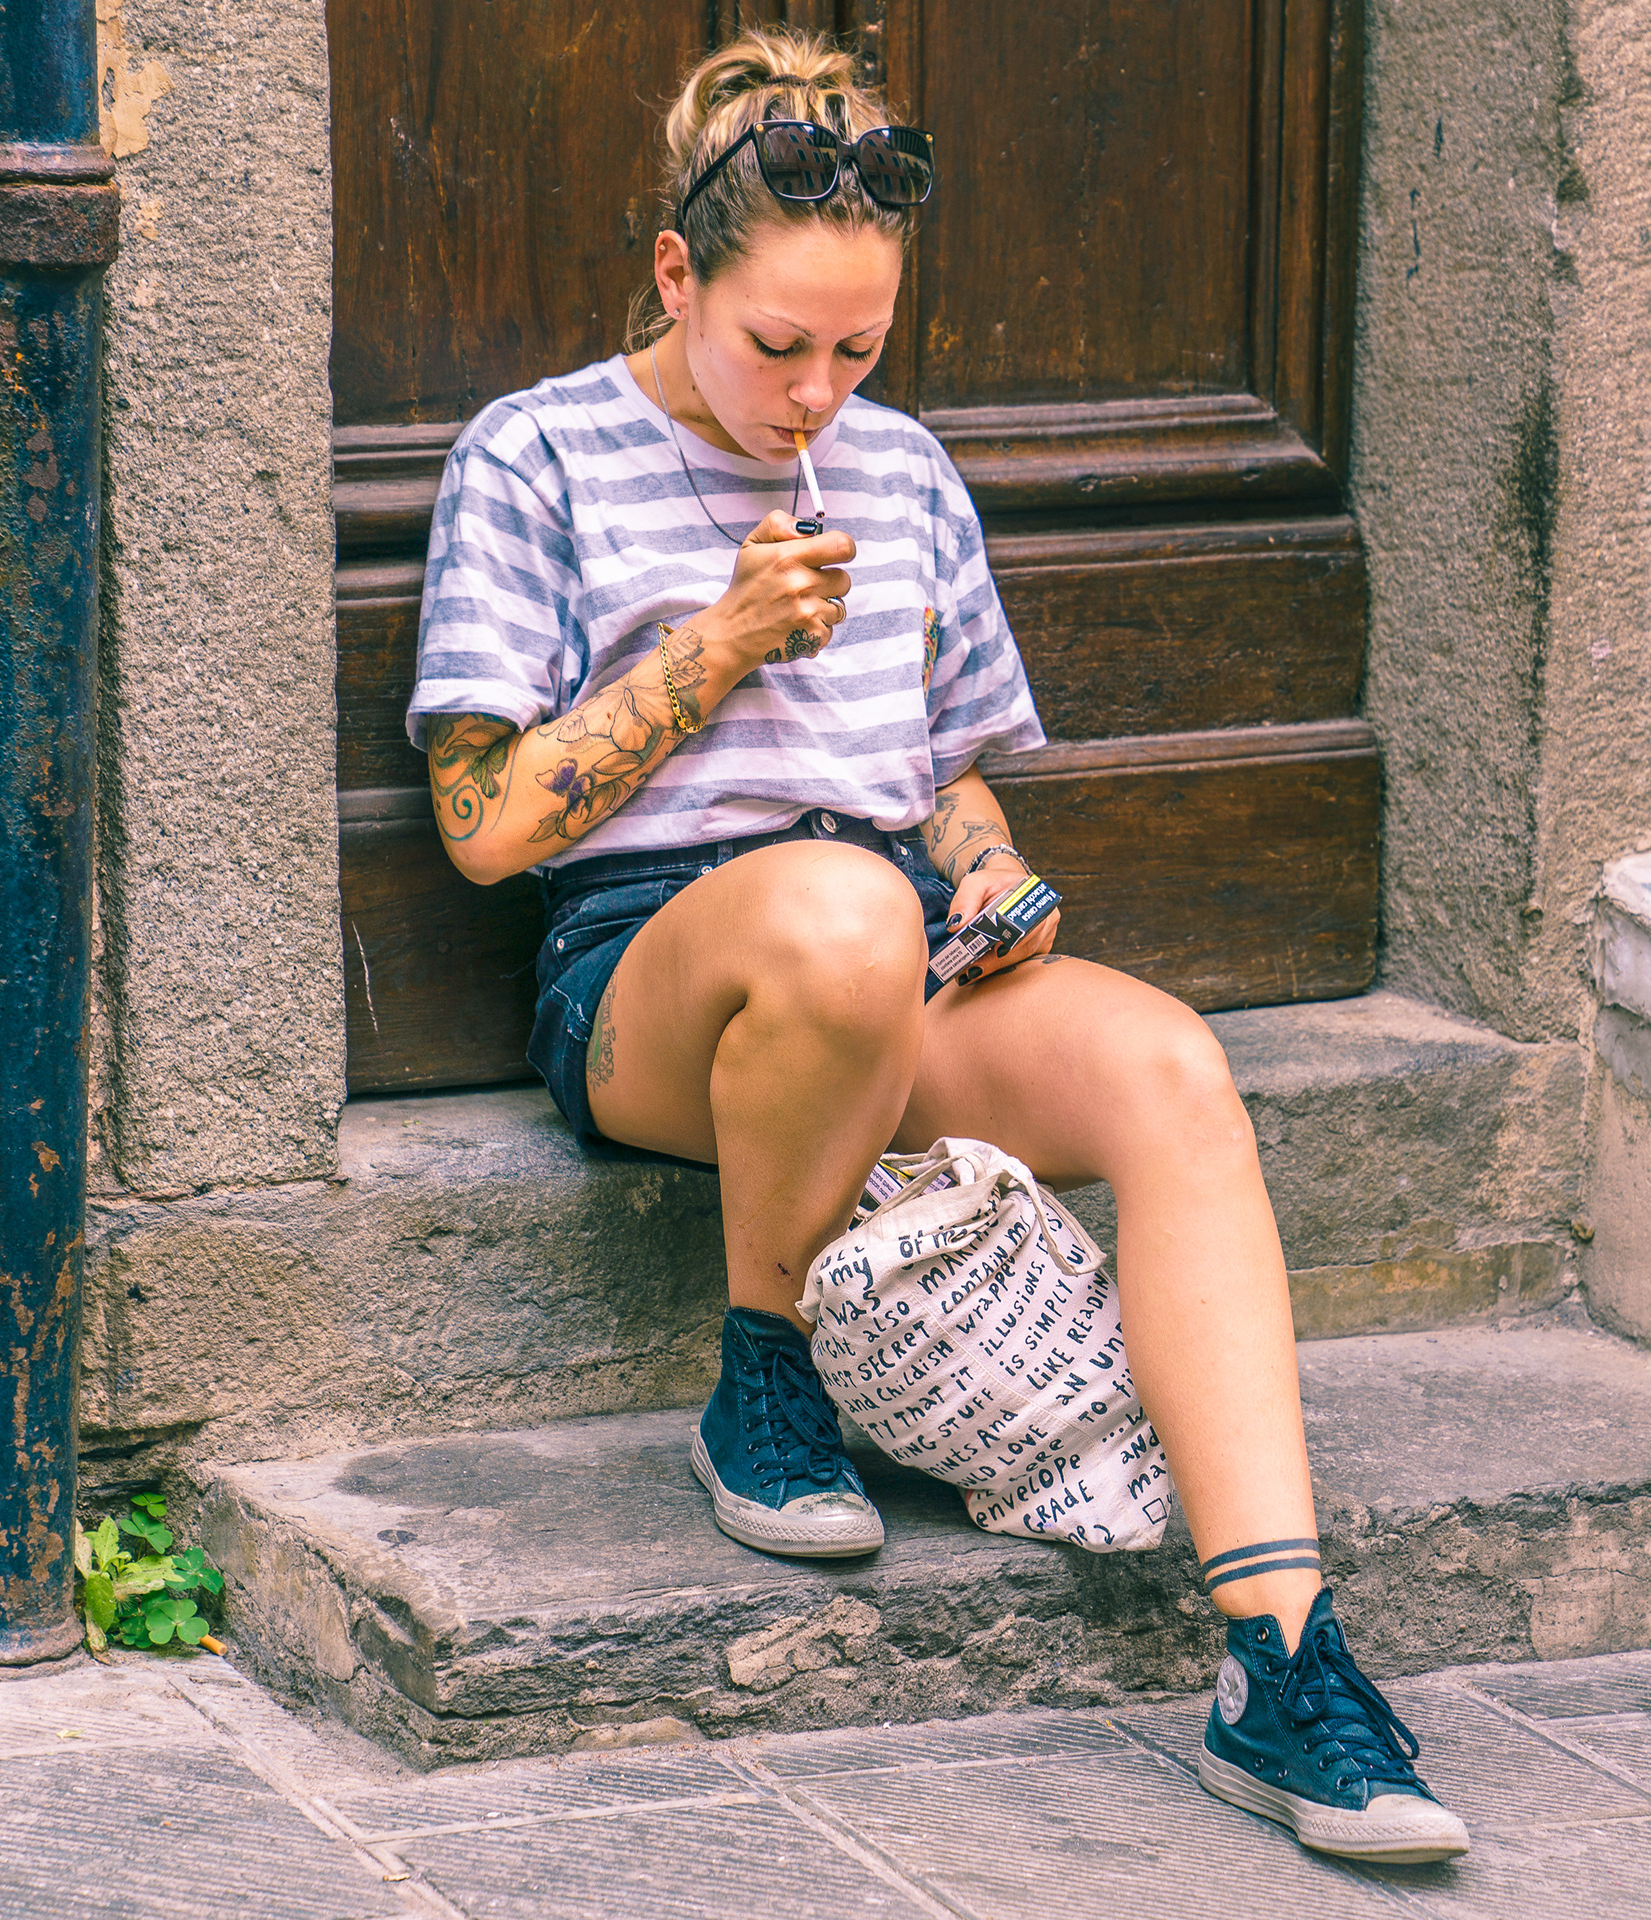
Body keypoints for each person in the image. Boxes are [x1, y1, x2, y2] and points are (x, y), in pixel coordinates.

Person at [407, 27, 1468, 1867]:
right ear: (675, 276)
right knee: (839, 911)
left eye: (859, 351)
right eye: (777, 345)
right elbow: (486, 822)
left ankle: (1282, 1659)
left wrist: (991, 880)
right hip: (651, 976)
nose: (817, 393)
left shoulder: (898, 472)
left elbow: (950, 776)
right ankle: (764, 1377)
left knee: (1167, 1068)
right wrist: (717, 646)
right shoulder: (539, 452)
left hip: (889, 945)